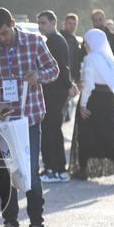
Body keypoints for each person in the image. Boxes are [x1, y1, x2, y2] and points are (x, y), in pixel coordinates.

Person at [0, 7, 59, 227]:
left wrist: (38, 76)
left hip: (30, 118)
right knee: (6, 172)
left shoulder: (35, 42)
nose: (1, 39)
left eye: (4, 33)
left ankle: (37, 225)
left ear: (13, 23)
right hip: (3, 122)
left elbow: (54, 70)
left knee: (29, 170)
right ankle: (10, 224)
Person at [69, 30, 114, 184]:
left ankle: (83, 169)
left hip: (93, 99)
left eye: (87, 42)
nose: (85, 45)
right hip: (108, 99)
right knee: (111, 134)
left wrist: (82, 104)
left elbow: (88, 85)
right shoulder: (110, 60)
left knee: (86, 134)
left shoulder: (90, 59)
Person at [37, 10, 77, 183]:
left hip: (54, 93)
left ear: (54, 23)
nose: (40, 26)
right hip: (54, 91)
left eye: (43, 23)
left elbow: (62, 67)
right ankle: (58, 168)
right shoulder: (53, 40)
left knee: (49, 131)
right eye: (39, 23)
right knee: (53, 130)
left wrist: (69, 85)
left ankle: (52, 169)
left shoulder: (55, 41)